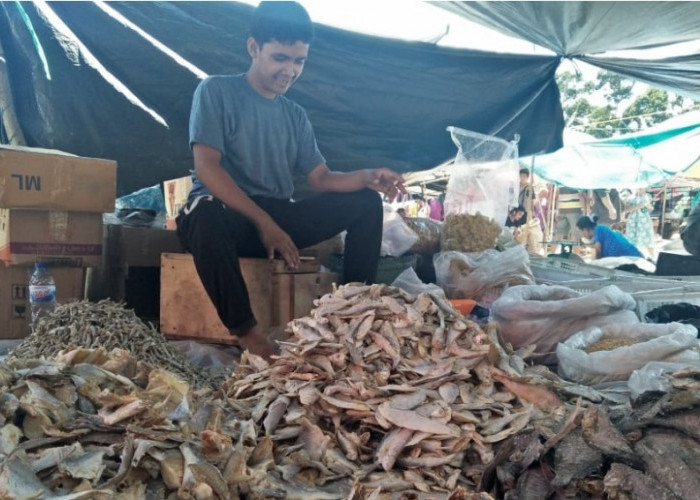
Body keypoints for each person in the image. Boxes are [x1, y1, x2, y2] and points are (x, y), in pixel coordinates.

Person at [176, 2, 406, 359]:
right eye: (280, 58)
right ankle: (248, 333)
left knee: (365, 203)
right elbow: (207, 168)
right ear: (254, 48)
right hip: (226, 217)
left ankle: (353, 309)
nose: (290, 71)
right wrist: (262, 221)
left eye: (299, 61)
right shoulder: (215, 92)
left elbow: (322, 178)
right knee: (203, 213)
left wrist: (367, 176)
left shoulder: (294, 115)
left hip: (277, 219)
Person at [576, 215, 644, 259]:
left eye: (580, 232)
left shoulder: (599, 229)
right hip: (631, 258)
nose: (581, 235)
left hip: (631, 258)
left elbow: (597, 252)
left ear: (584, 230)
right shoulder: (602, 230)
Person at [623, 187, 655, 259]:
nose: (640, 189)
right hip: (633, 222)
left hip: (645, 222)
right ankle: (632, 257)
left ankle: (653, 258)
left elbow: (651, 209)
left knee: (648, 239)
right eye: (639, 187)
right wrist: (638, 206)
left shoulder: (648, 196)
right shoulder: (630, 198)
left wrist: (648, 205)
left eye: (642, 187)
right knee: (632, 240)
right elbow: (625, 209)